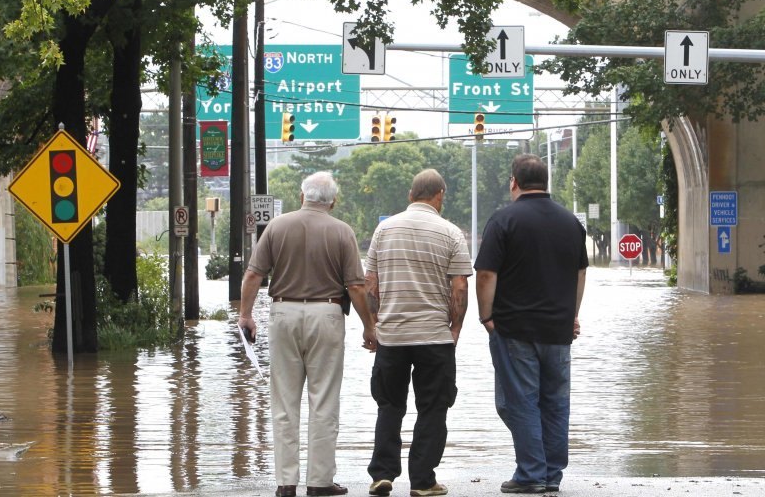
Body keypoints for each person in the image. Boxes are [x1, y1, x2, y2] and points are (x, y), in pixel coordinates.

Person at [238, 171, 377, 497]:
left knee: (284, 402)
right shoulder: (342, 232)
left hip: (283, 313)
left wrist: (245, 315)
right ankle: (319, 481)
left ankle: (286, 482)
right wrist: (369, 325)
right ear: (333, 201)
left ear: (303, 196)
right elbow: (356, 287)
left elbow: (253, 275)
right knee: (324, 400)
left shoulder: (277, 226)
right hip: (326, 314)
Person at [474, 154, 588, 494]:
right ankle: (551, 474)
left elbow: (486, 274)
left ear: (514, 182)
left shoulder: (503, 220)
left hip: (514, 329)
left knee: (518, 401)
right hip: (558, 330)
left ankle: (531, 474)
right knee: (555, 402)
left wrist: (486, 316)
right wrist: (572, 315)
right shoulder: (571, 223)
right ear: (546, 182)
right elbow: (580, 273)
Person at [364, 169, 471, 497]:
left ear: (411, 196)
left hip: (392, 337)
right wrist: (455, 327)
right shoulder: (451, 232)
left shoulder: (383, 230)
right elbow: (460, 286)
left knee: (390, 405)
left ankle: (382, 474)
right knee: (433, 407)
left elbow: (371, 285)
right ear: (440, 195)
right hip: (434, 338)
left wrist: (373, 326)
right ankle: (423, 481)